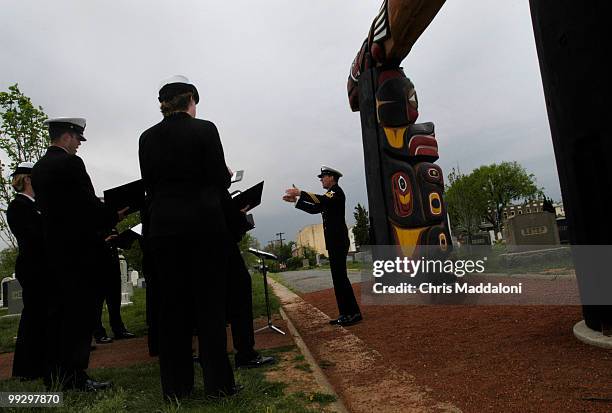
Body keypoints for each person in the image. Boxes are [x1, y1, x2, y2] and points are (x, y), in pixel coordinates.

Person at [139, 75, 237, 398]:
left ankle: (176, 388)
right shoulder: (205, 130)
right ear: (191, 101)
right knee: (210, 309)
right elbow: (220, 178)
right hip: (205, 230)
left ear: (163, 104)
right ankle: (218, 386)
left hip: (164, 232)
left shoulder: (146, 138)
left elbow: (150, 185)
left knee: (171, 311)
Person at [31, 117, 127, 391]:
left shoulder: (38, 169)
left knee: (58, 316)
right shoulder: (71, 163)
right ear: (67, 137)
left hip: (54, 252)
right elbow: (84, 207)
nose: (79, 146)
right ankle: (76, 376)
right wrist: (112, 213)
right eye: (77, 140)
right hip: (80, 252)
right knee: (80, 316)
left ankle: (55, 375)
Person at [283, 166, 362, 326]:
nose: (321, 179)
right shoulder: (328, 195)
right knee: (337, 279)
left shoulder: (336, 192)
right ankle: (345, 313)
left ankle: (353, 313)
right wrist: (297, 201)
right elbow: (315, 209)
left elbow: (322, 200)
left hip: (339, 241)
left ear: (331, 178)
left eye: (323, 177)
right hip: (333, 241)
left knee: (341, 278)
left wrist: (300, 193)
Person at [222, 190, 275, 369]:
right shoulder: (216, 190)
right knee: (240, 295)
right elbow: (231, 229)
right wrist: (240, 217)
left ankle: (213, 358)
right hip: (224, 247)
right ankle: (245, 354)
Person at [7, 162, 47, 380]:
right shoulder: (18, 206)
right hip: (33, 267)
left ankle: (39, 363)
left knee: (40, 316)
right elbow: (33, 237)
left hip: (41, 266)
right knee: (33, 317)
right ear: (29, 179)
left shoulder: (36, 204)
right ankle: (26, 368)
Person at [92, 228, 136, 344]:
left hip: (113, 267)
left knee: (114, 302)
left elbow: (123, 244)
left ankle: (118, 329)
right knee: (97, 304)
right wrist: (105, 241)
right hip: (98, 268)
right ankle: (98, 333)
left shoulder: (111, 226)